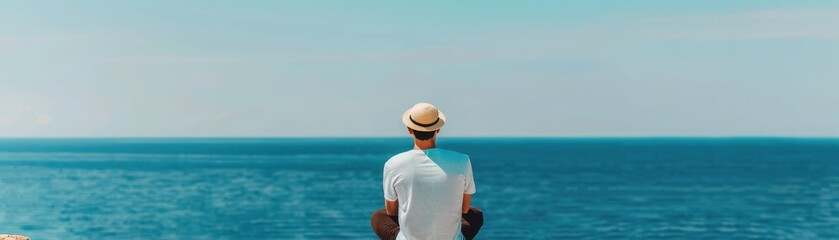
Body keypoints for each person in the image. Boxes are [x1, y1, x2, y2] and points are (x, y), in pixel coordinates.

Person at [370, 103, 483, 240]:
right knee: (475, 214)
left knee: (378, 217)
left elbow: (391, 211)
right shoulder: (462, 160)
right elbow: (464, 209)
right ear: (438, 129)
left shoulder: (393, 164)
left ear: (409, 130)